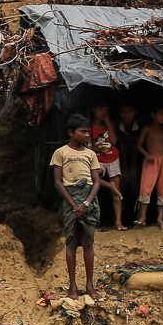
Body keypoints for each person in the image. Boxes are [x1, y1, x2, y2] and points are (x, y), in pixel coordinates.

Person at [50, 114, 101, 299]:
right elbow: (58, 182)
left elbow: (96, 182)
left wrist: (86, 203)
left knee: (88, 242)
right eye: (83, 131)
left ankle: (89, 286)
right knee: (71, 243)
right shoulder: (60, 153)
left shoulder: (91, 154)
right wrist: (74, 205)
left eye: (88, 131)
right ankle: (72, 286)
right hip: (70, 201)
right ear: (71, 132)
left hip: (89, 201)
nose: (87, 135)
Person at [89, 103, 126, 231]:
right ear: (93, 110)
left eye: (106, 109)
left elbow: (114, 142)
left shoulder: (110, 124)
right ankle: (93, 221)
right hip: (98, 159)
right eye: (100, 109)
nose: (104, 112)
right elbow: (89, 147)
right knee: (93, 178)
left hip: (113, 158)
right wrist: (99, 149)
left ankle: (118, 222)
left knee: (116, 191)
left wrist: (109, 124)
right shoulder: (89, 127)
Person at [135, 107, 163, 229]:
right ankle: (143, 217)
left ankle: (160, 218)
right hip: (151, 160)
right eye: (162, 113)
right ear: (153, 114)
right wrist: (146, 155)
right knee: (146, 188)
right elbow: (138, 145)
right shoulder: (147, 129)